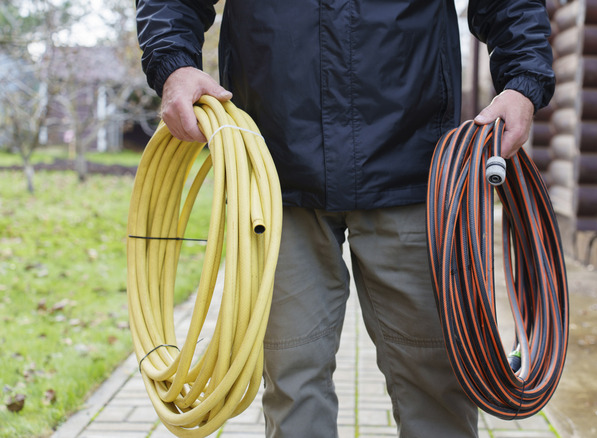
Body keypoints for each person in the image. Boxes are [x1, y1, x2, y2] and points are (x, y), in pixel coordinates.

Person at [135, 0, 555, 436]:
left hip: (414, 168)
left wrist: (522, 80)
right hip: (274, 175)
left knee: (437, 381)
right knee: (291, 382)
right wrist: (174, 63)